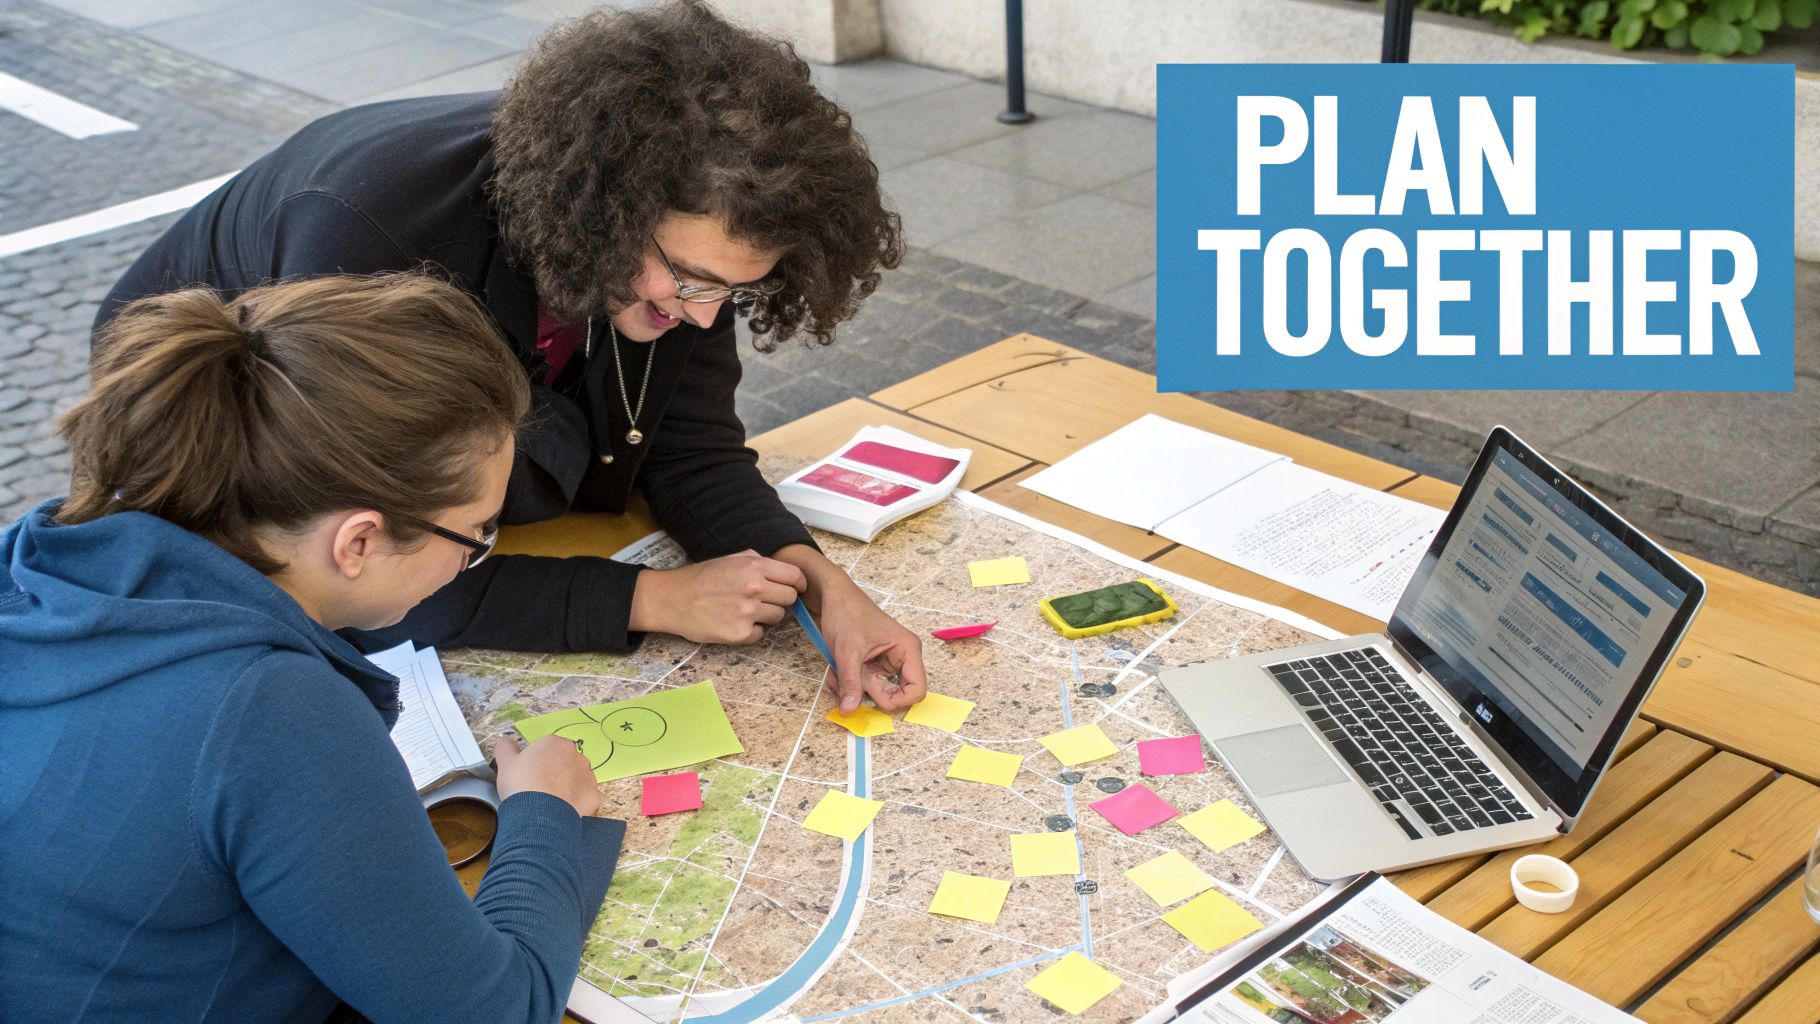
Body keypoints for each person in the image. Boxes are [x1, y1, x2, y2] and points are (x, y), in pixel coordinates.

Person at [98, 0, 925, 714]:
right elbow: (360, 567)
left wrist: (815, 578)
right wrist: (648, 597)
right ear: (606, 213)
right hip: (226, 417)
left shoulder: (678, 245)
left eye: (732, 293)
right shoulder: (379, 248)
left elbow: (690, 443)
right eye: (690, 280)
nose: (701, 315)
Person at [0, 274, 623, 1023]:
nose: (474, 557)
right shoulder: (270, 710)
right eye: (477, 533)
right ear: (358, 540)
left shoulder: (38, 560)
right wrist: (546, 812)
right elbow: (494, 1011)